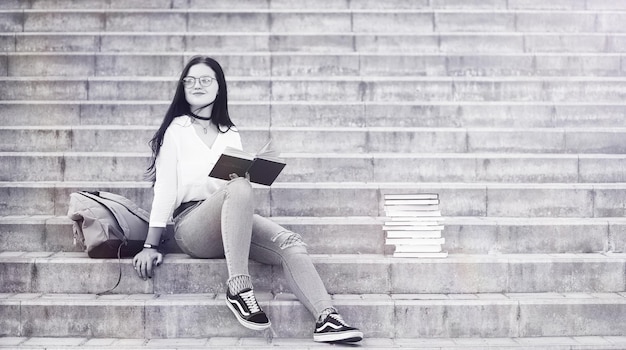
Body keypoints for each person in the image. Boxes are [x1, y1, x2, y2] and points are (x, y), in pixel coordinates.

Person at [132, 55, 363, 343]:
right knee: (239, 187)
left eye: (205, 80)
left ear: (219, 87)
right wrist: (150, 244)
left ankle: (327, 318)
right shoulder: (175, 130)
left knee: (290, 242)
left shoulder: (230, 132)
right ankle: (239, 289)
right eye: (190, 80)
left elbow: (231, 182)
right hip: (191, 226)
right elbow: (165, 188)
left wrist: (248, 174)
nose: (197, 85)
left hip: (230, 220)